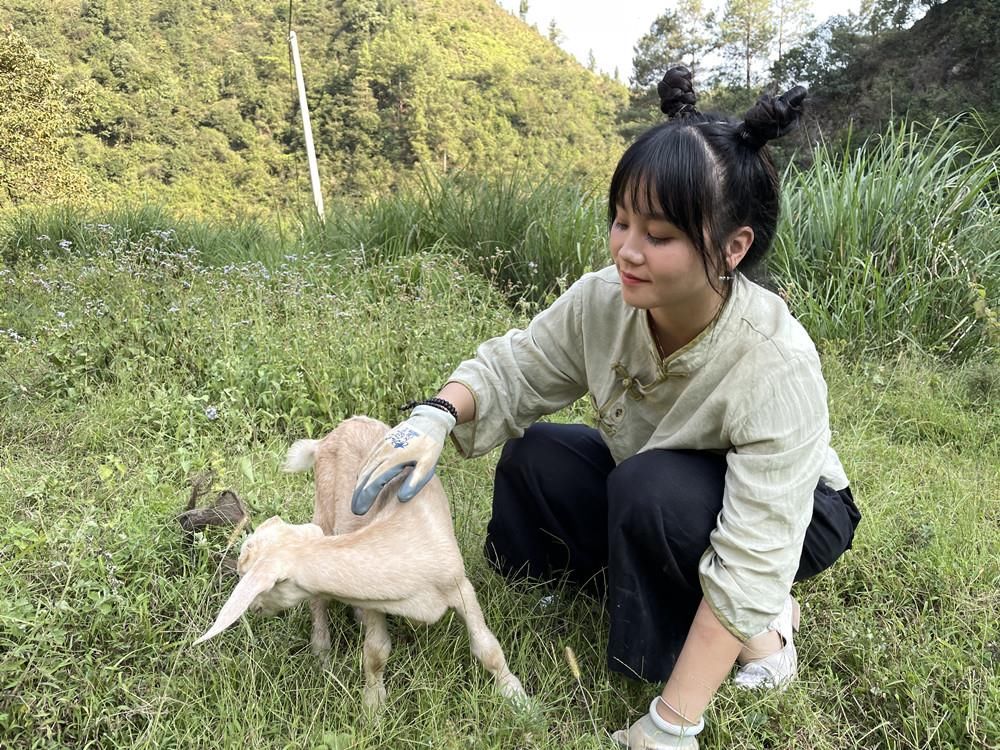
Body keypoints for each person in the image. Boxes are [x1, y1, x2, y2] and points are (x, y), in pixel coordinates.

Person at [350, 66, 861, 749]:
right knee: (537, 454)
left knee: (649, 490)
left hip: (798, 515)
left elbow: (755, 548)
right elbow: (518, 367)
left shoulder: (775, 360)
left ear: (732, 247)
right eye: (621, 221)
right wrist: (437, 415)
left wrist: (673, 723)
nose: (627, 250)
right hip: (655, 478)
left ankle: (765, 632)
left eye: (659, 235)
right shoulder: (605, 299)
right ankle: (602, 583)